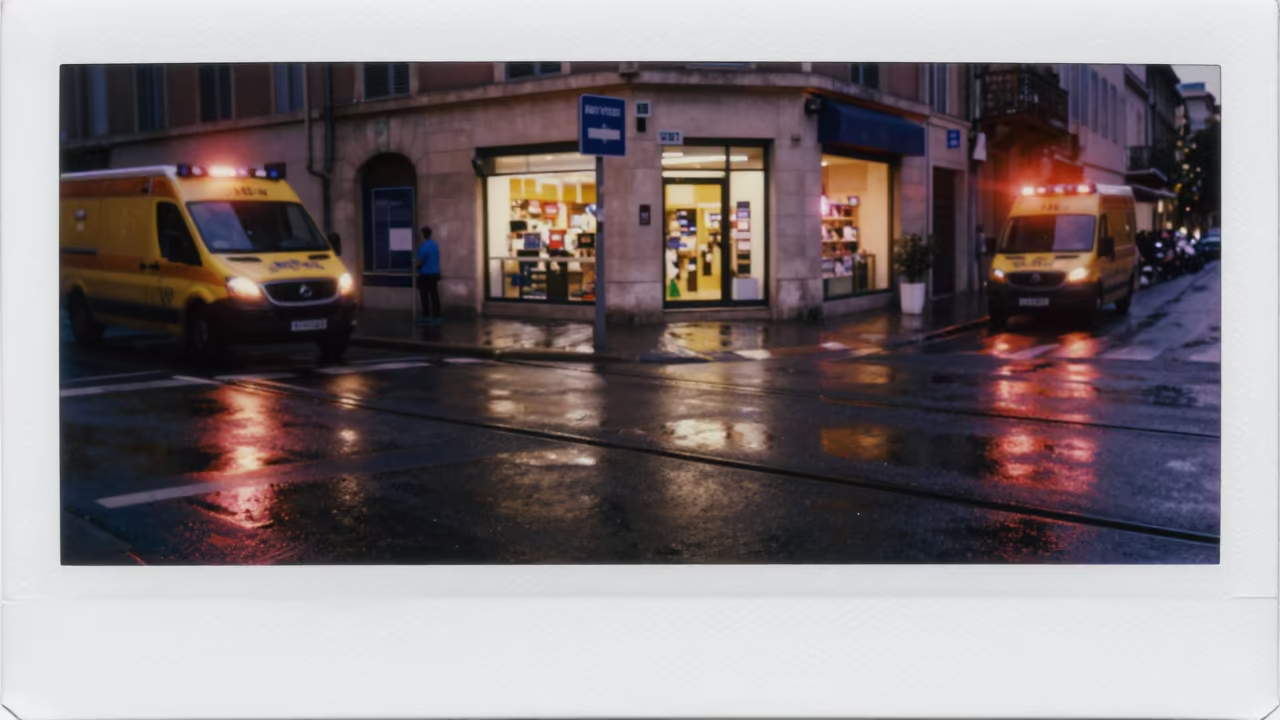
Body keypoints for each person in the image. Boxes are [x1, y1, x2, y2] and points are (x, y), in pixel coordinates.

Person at [415, 226, 441, 324]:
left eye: (420, 234)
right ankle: (436, 313)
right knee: (434, 294)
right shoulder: (435, 245)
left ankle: (426, 313)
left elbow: (420, 261)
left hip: (425, 274)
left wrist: (415, 266)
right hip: (434, 273)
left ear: (423, 235)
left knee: (424, 295)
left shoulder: (423, 246)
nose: (419, 236)